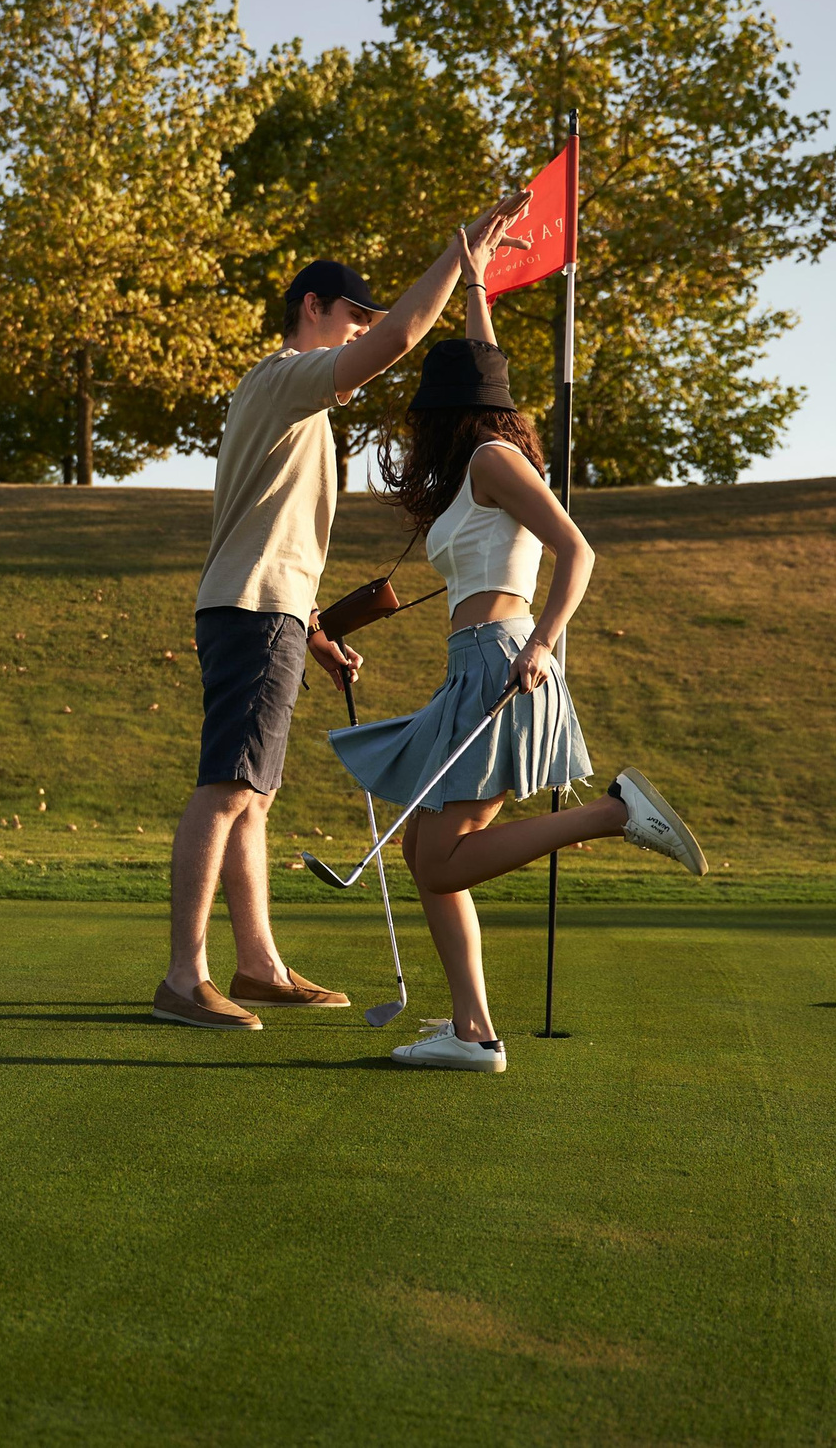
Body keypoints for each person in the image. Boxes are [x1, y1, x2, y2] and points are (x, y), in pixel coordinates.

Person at [155, 195, 533, 1030]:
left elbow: (273, 534)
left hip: (269, 611)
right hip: (252, 610)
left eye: (364, 316)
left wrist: (314, 631)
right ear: (311, 308)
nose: (361, 330)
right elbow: (400, 338)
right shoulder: (283, 376)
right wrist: (460, 254)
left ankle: (257, 965)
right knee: (225, 786)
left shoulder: (299, 406)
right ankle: (185, 977)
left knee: (252, 792)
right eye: (349, 316)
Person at [325, 249, 708, 1071]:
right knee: (422, 852)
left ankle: (615, 813)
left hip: (506, 661)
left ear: (446, 410)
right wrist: (475, 287)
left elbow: (579, 551)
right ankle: (473, 1031)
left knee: (445, 856)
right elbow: (482, 366)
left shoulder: (495, 462)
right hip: (469, 666)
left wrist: (539, 645)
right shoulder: (477, 464)